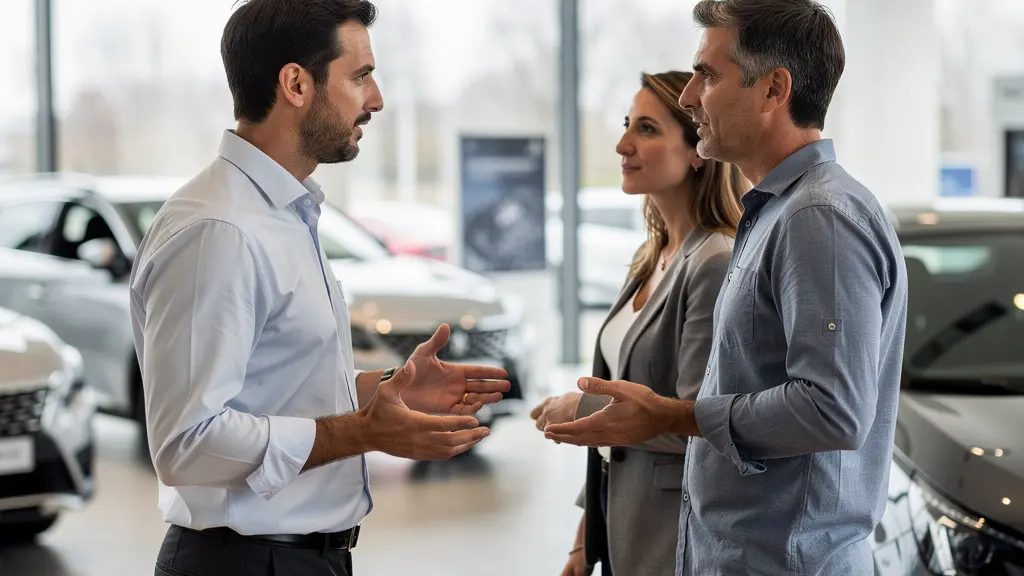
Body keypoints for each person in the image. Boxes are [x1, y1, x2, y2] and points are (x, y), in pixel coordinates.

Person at [129, 2, 510, 575]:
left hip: (301, 558)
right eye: (360, 77)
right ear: (296, 84)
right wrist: (361, 433)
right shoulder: (220, 230)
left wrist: (386, 388)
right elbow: (187, 442)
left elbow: (277, 387)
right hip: (245, 563)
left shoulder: (284, 214)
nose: (376, 99)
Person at [544, 1, 909, 575]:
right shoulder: (774, 213)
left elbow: (832, 410)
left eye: (708, 75)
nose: (690, 96)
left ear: (774, 89)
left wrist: (673, 415)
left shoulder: (820, 217)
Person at [531, 71, 744, 576]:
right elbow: (617, 442)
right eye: (628, 125)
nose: (623, 143)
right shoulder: (652, 256)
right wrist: (585, 542)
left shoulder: (713, 262)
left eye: (647, 129)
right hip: (622, 523)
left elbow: (699, 422)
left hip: (673, 531)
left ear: (698, 149)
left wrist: (579, 407)